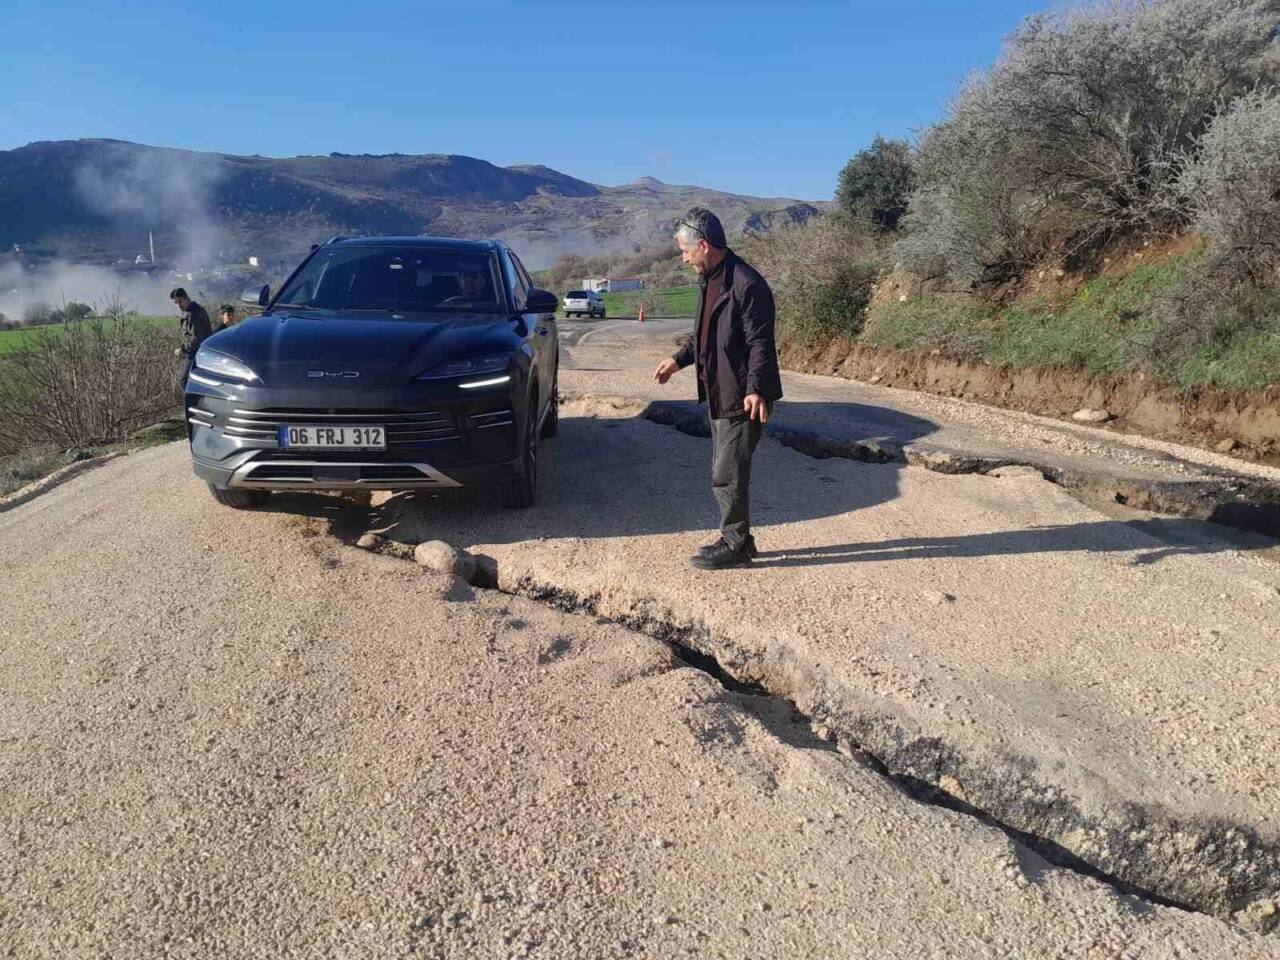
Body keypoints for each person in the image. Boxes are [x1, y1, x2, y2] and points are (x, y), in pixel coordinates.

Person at [653, 207, 783, 570]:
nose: (683, 258)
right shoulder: (710, 279)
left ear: (704, 245)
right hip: (720, 391)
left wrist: (755, 389)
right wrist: (678, 360)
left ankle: (735, 544)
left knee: (727, 473)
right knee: (727, 469)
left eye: (685, 251)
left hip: (742, 396)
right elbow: (704, 336)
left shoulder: (746, 283)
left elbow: (760, 343)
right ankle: (740, 539)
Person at [171, 287, 212, 396]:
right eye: (176, 302)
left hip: (199, 353)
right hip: (196, 353)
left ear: (186, 298)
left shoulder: (196, 313)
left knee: (184, 382)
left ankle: (193, 405)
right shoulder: (189, 313)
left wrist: (182, 349)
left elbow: (195, 339)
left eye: (179, 301)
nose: (178, 305)